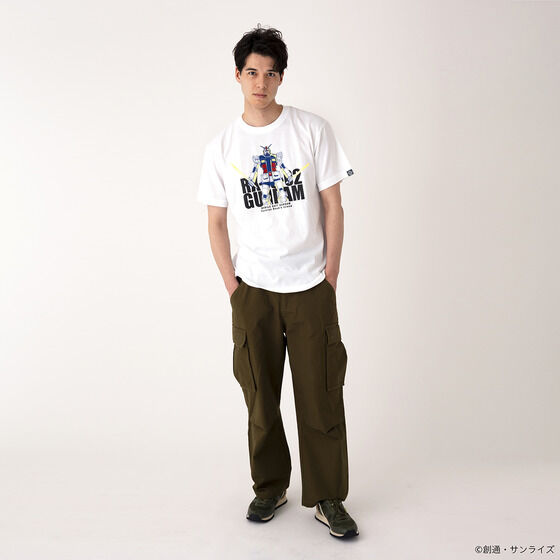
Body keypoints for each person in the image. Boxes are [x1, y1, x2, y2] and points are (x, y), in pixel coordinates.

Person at [197, 24, 359, 539]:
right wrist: (234, 288)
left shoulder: (312, 130)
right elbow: (215, 222)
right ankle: (270, 486)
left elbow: (334, 205)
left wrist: (330, 277)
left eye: (270, 74)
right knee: (260, 398)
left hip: (310, 286)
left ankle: (328, 496)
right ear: (237, 76)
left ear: (281, 77)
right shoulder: (222, 146)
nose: (260, 83)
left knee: (321, 395)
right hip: (254, 289)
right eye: (251, 73)